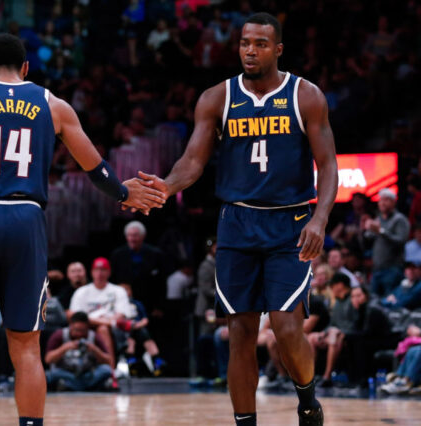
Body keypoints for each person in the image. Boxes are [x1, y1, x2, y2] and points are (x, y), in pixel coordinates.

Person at [0, 34, 163, 426]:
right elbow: (96, 168)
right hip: (26, 219)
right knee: (26, 347)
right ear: (26, 68)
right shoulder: (52, 104)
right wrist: (125, 191)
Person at [136, 13, 337, 425]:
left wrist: (319, 220)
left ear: (277, 49)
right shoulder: (216, 97)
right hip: (236, 223)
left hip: (290, 224)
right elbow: (193, 160)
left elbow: (328, 164)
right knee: (240, 334)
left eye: (261, 43)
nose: (250, 50)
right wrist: (167, 186)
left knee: (285, 327)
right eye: (246, 42)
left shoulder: (305, 95)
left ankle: (307, 399)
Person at [69, 257, 132, 369]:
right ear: (92, 272)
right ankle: (111, 370)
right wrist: (104, 321)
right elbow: (77, 317)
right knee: (102, 327)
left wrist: (106, 322)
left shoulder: (118, 290)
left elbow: (121, 314)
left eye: (103, 270)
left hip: (115, 329)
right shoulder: (82, 292)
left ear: (109, 272)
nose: (100, 273)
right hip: (86, 327)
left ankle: (110, 369)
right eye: (97, 270)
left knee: (103, 328)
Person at [44, 311, 112, 391]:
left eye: (83, 331)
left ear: (88, 328)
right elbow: (48, 359)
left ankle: (73, 386)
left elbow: (108, 361)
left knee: (106, 370)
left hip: (87, 374)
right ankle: (84, 386)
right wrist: (64, 348)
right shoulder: (59, 335)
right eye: (77, 330)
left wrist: (94, 350)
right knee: (49, 374)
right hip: (66, 373)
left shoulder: (94, 336)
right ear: (70, 326)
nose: (79, 334)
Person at [362, 188, 410, 296]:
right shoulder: (378, 219)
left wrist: (381, 231)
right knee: (374, 303)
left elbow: (401, 241)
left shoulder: (400, 219)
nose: (382, 203)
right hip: (376, 269)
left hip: (392, 269)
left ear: (393, 202)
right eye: (381, 200)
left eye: (386, 200)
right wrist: (366, 229)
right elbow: (368, 240)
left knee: (389, 302)